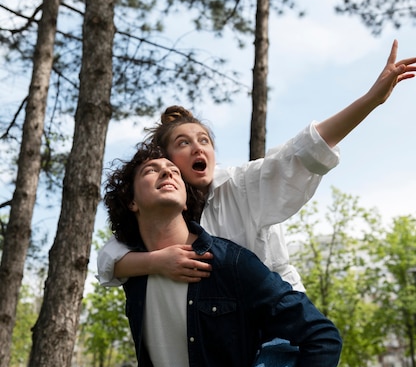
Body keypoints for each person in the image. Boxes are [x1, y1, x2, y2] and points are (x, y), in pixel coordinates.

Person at [102, 145, 343, 367]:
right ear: (133, 202)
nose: (168, 172)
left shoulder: (229, 264)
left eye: (173, 169)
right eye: (151, 170)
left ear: (186, 201)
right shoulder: (136, 281)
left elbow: (322, 336)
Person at [97, 40, 416, 291]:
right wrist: (155, 262)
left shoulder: (241, 184)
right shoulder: (164, 210)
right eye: (184, 143)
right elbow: (110, 259)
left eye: (205, 140)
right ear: (166, 160)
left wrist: (371, 100)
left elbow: (304, 150)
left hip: (281, 325)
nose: (198, 147)